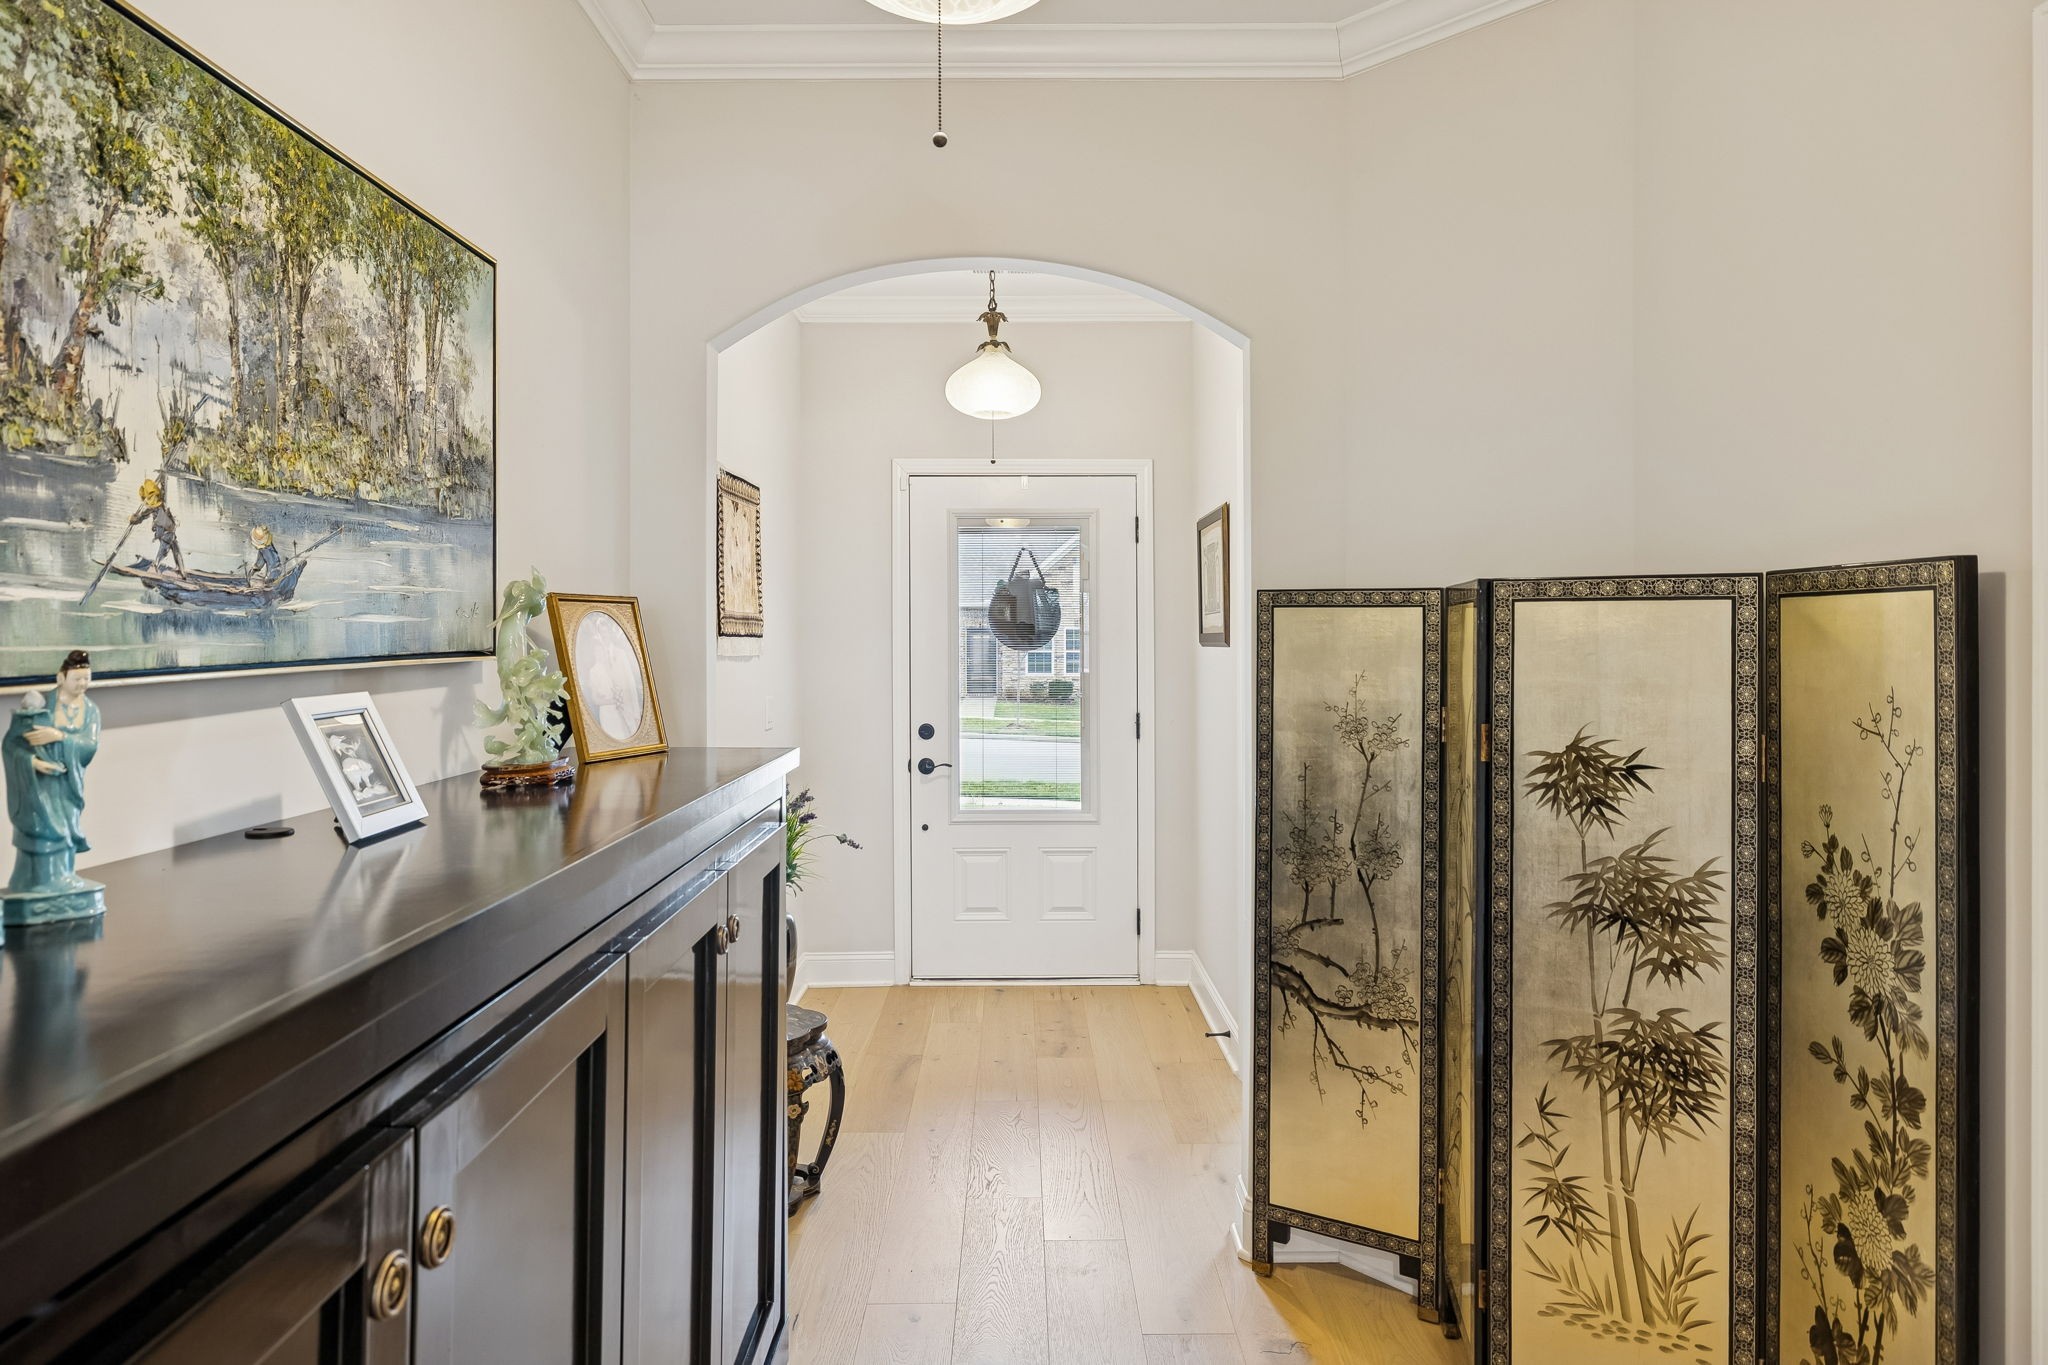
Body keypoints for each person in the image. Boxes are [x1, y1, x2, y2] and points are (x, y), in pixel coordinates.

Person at [3, 650, 102, 907]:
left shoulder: (90, 710)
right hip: (38, 784)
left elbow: (89, 746)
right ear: (61, 677)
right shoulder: (41, 704)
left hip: (67, 783)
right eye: (77, 679)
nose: (82, 684)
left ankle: (63, 877)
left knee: (66, 829)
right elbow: (12, 744)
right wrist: (31, 762)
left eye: (86, 679)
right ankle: (39, 884)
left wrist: (59, 737)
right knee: (41, 829)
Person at [127, 478, 184, 574]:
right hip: (168, 530)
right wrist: (135, 519)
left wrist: (136, 519)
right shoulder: (156, 506)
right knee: (174, 549)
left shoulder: (159, 505)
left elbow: (142, 517)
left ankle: (155, 567)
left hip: (167, 532)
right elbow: (142, 517)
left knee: (165, 549)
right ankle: (181, 570)